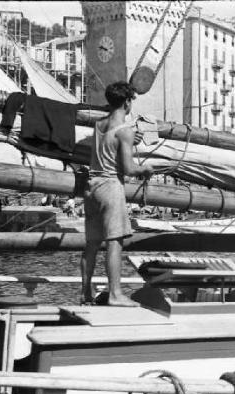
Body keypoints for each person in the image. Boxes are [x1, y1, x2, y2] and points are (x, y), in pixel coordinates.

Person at [80, 81, 153, 307]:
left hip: (91, 187)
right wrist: (146, 170)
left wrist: (130, 141)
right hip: (111, 187)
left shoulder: (98, 124)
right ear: (128, 101)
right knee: (115, 242)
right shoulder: (125, 132)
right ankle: (115, 294)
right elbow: (129, 169)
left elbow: (111, 144)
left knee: (91, 244)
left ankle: (85, 295)